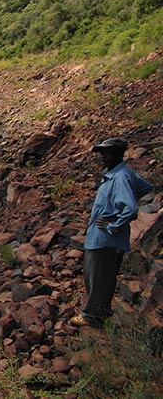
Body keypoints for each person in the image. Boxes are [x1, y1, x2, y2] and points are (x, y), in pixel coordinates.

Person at [71, 137, 153, 327]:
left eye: (107, 153)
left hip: (105, 238)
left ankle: (93, 317)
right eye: (102, 153)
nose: (103, 156)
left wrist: (113, 225)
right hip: (100, 237)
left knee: (97, 277)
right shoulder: (119, 173)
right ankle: (101, 312)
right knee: (100, 276)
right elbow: (145, 187)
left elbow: (131, 209)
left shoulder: (120, 177)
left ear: (118, 154)